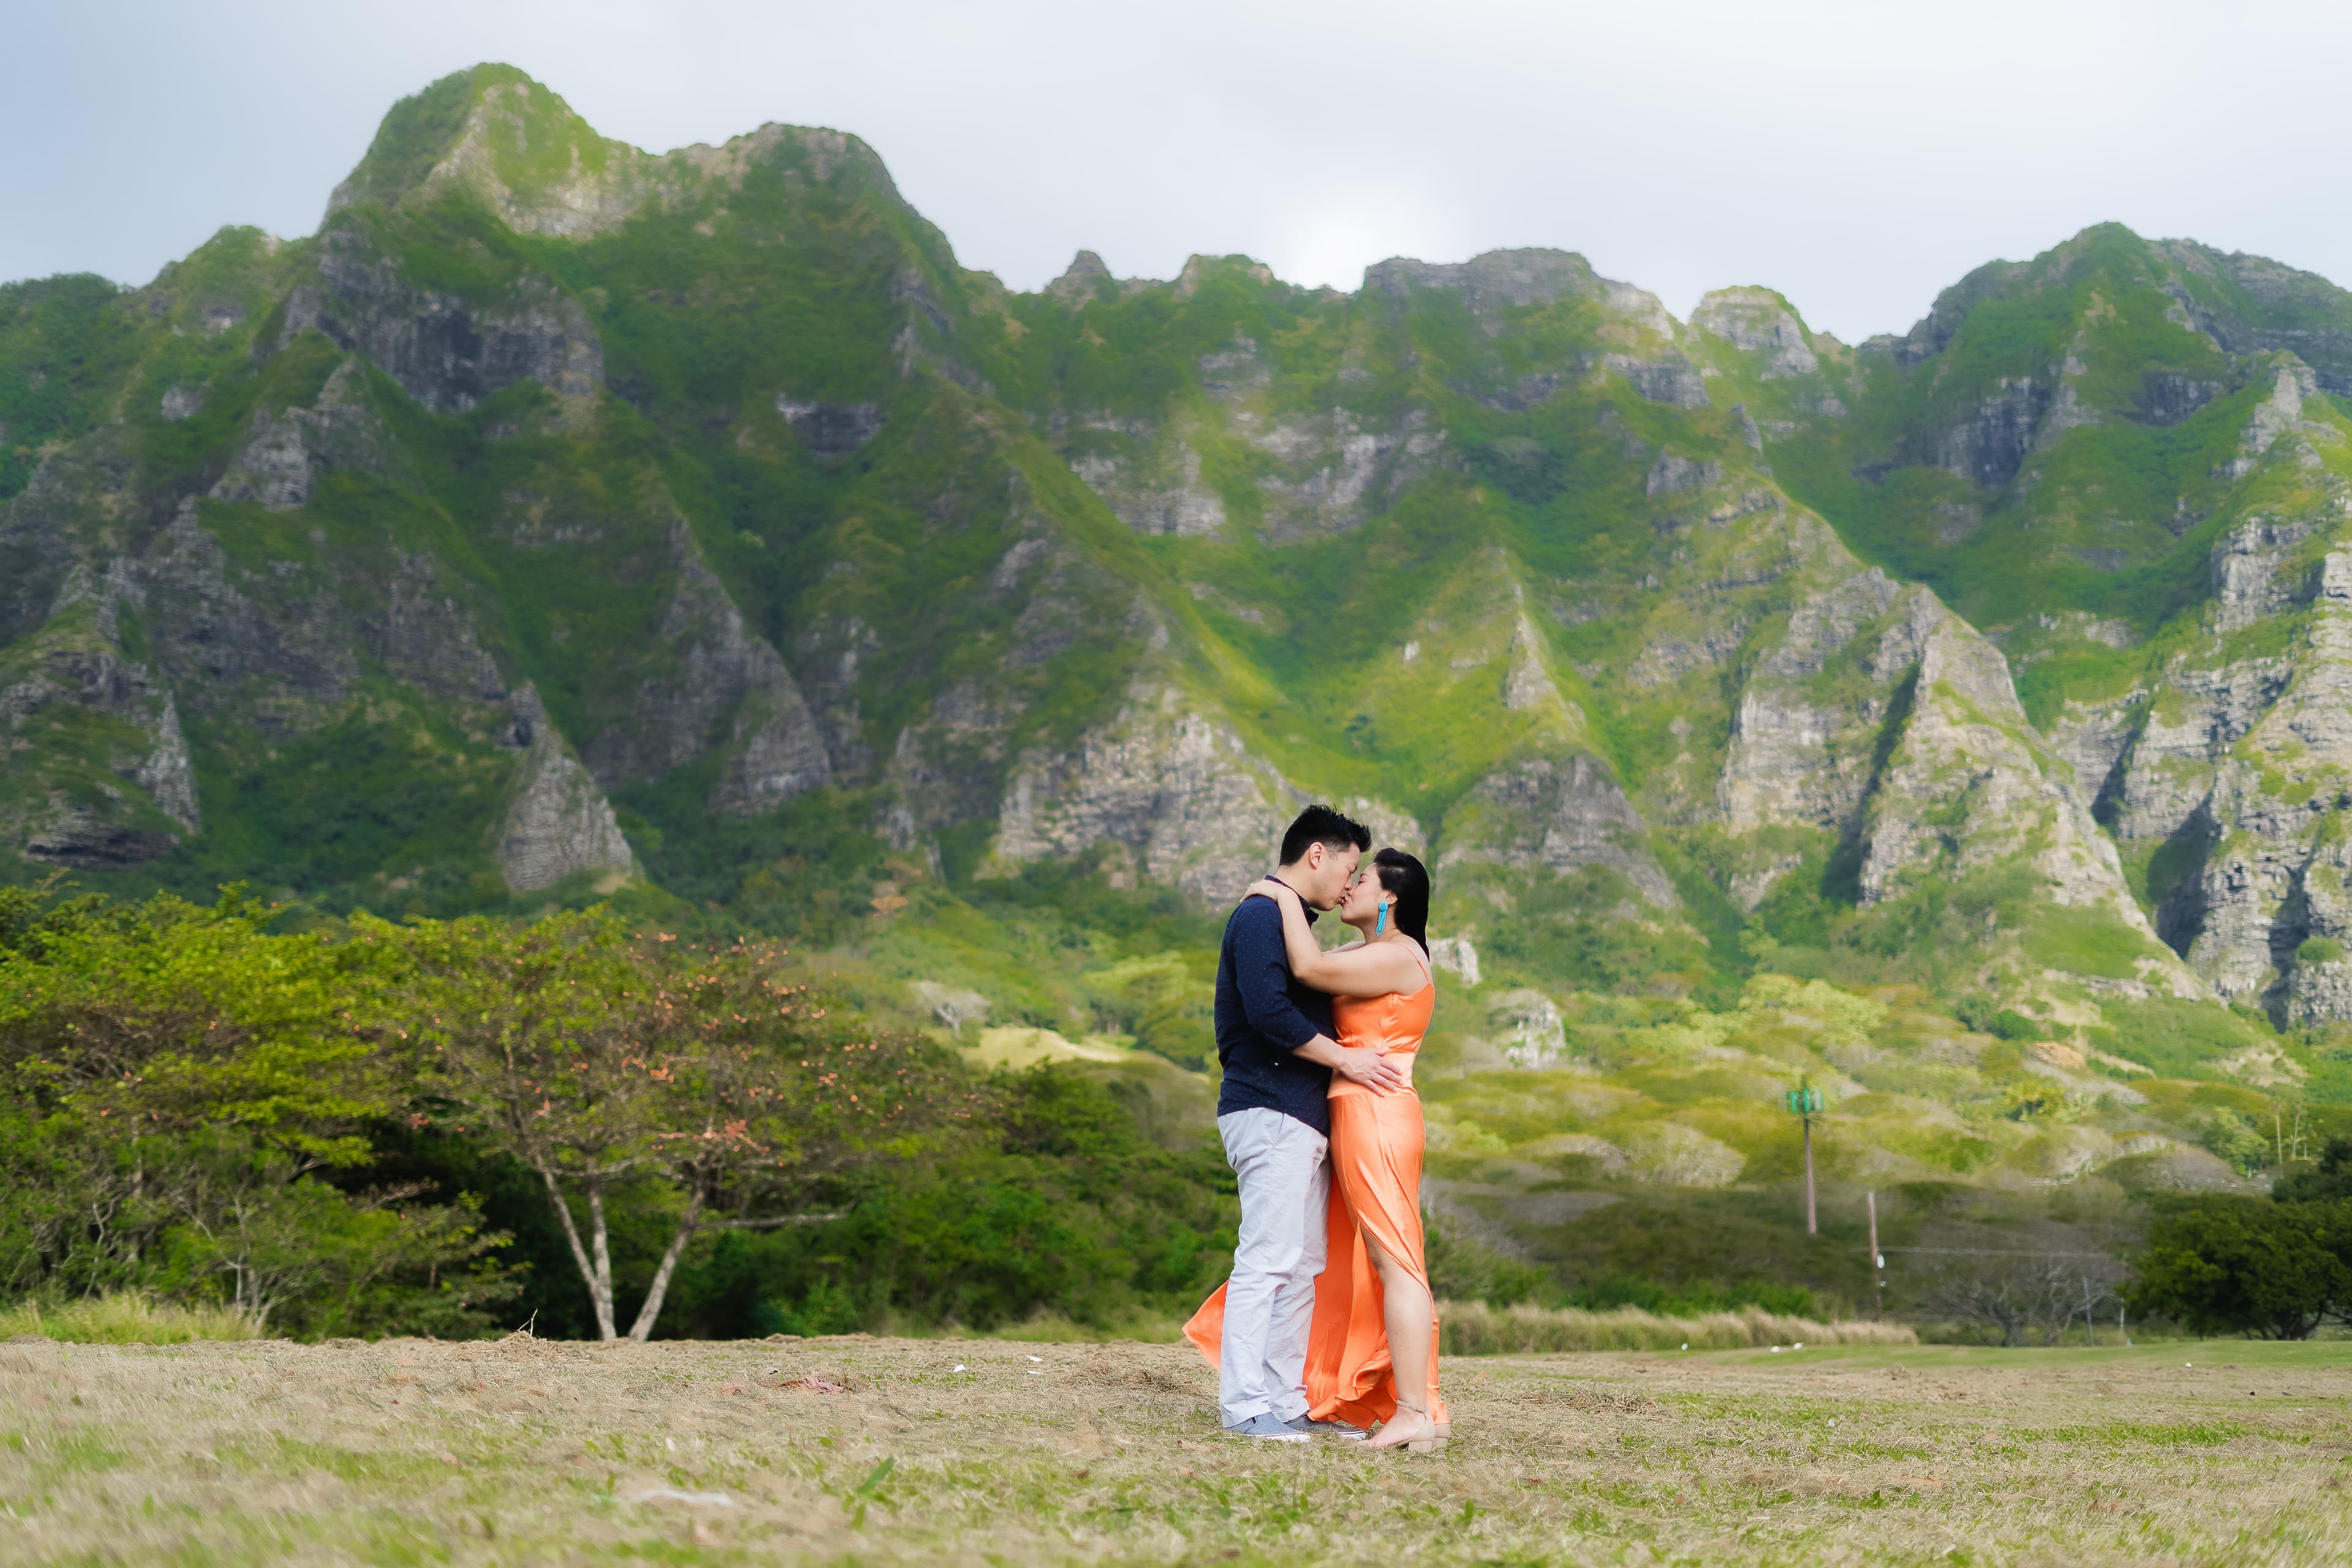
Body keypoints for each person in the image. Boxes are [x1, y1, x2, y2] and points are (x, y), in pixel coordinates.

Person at [1183, 806, 1404, 1443]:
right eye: (1348, 866)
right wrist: (1347, 1060)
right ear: (1316, 854)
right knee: (1268, 1258)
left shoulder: (1284, 917)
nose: (1349, 882)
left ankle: (1285, 1400)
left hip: (1299, 1117)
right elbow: (1268, 1012)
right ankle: (1245, 1405)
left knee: (1303, 1262)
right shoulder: (1259, 916)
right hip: (1269, 1106)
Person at [1247, 847, 1447, 1453]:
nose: (1350, 888)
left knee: (1396, 1263)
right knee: (1391, 1260)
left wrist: (1281, 891)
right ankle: (1421, 1408)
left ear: (1389, 898)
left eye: (1362, 881)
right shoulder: (1373, 953)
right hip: (1362, 1111)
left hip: (1374, 1113)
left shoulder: (1394, 954)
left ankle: (1414, 1409)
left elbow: (1305, 968)